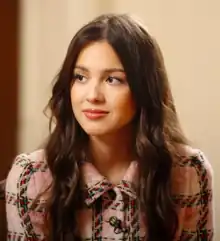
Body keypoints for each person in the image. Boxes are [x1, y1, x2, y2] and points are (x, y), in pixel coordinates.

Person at [5, 13, 214, 241]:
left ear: (143, 89)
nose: (92, 96)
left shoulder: (189, 171)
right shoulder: (33, 177)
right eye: (81, 77)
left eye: (112, 80)